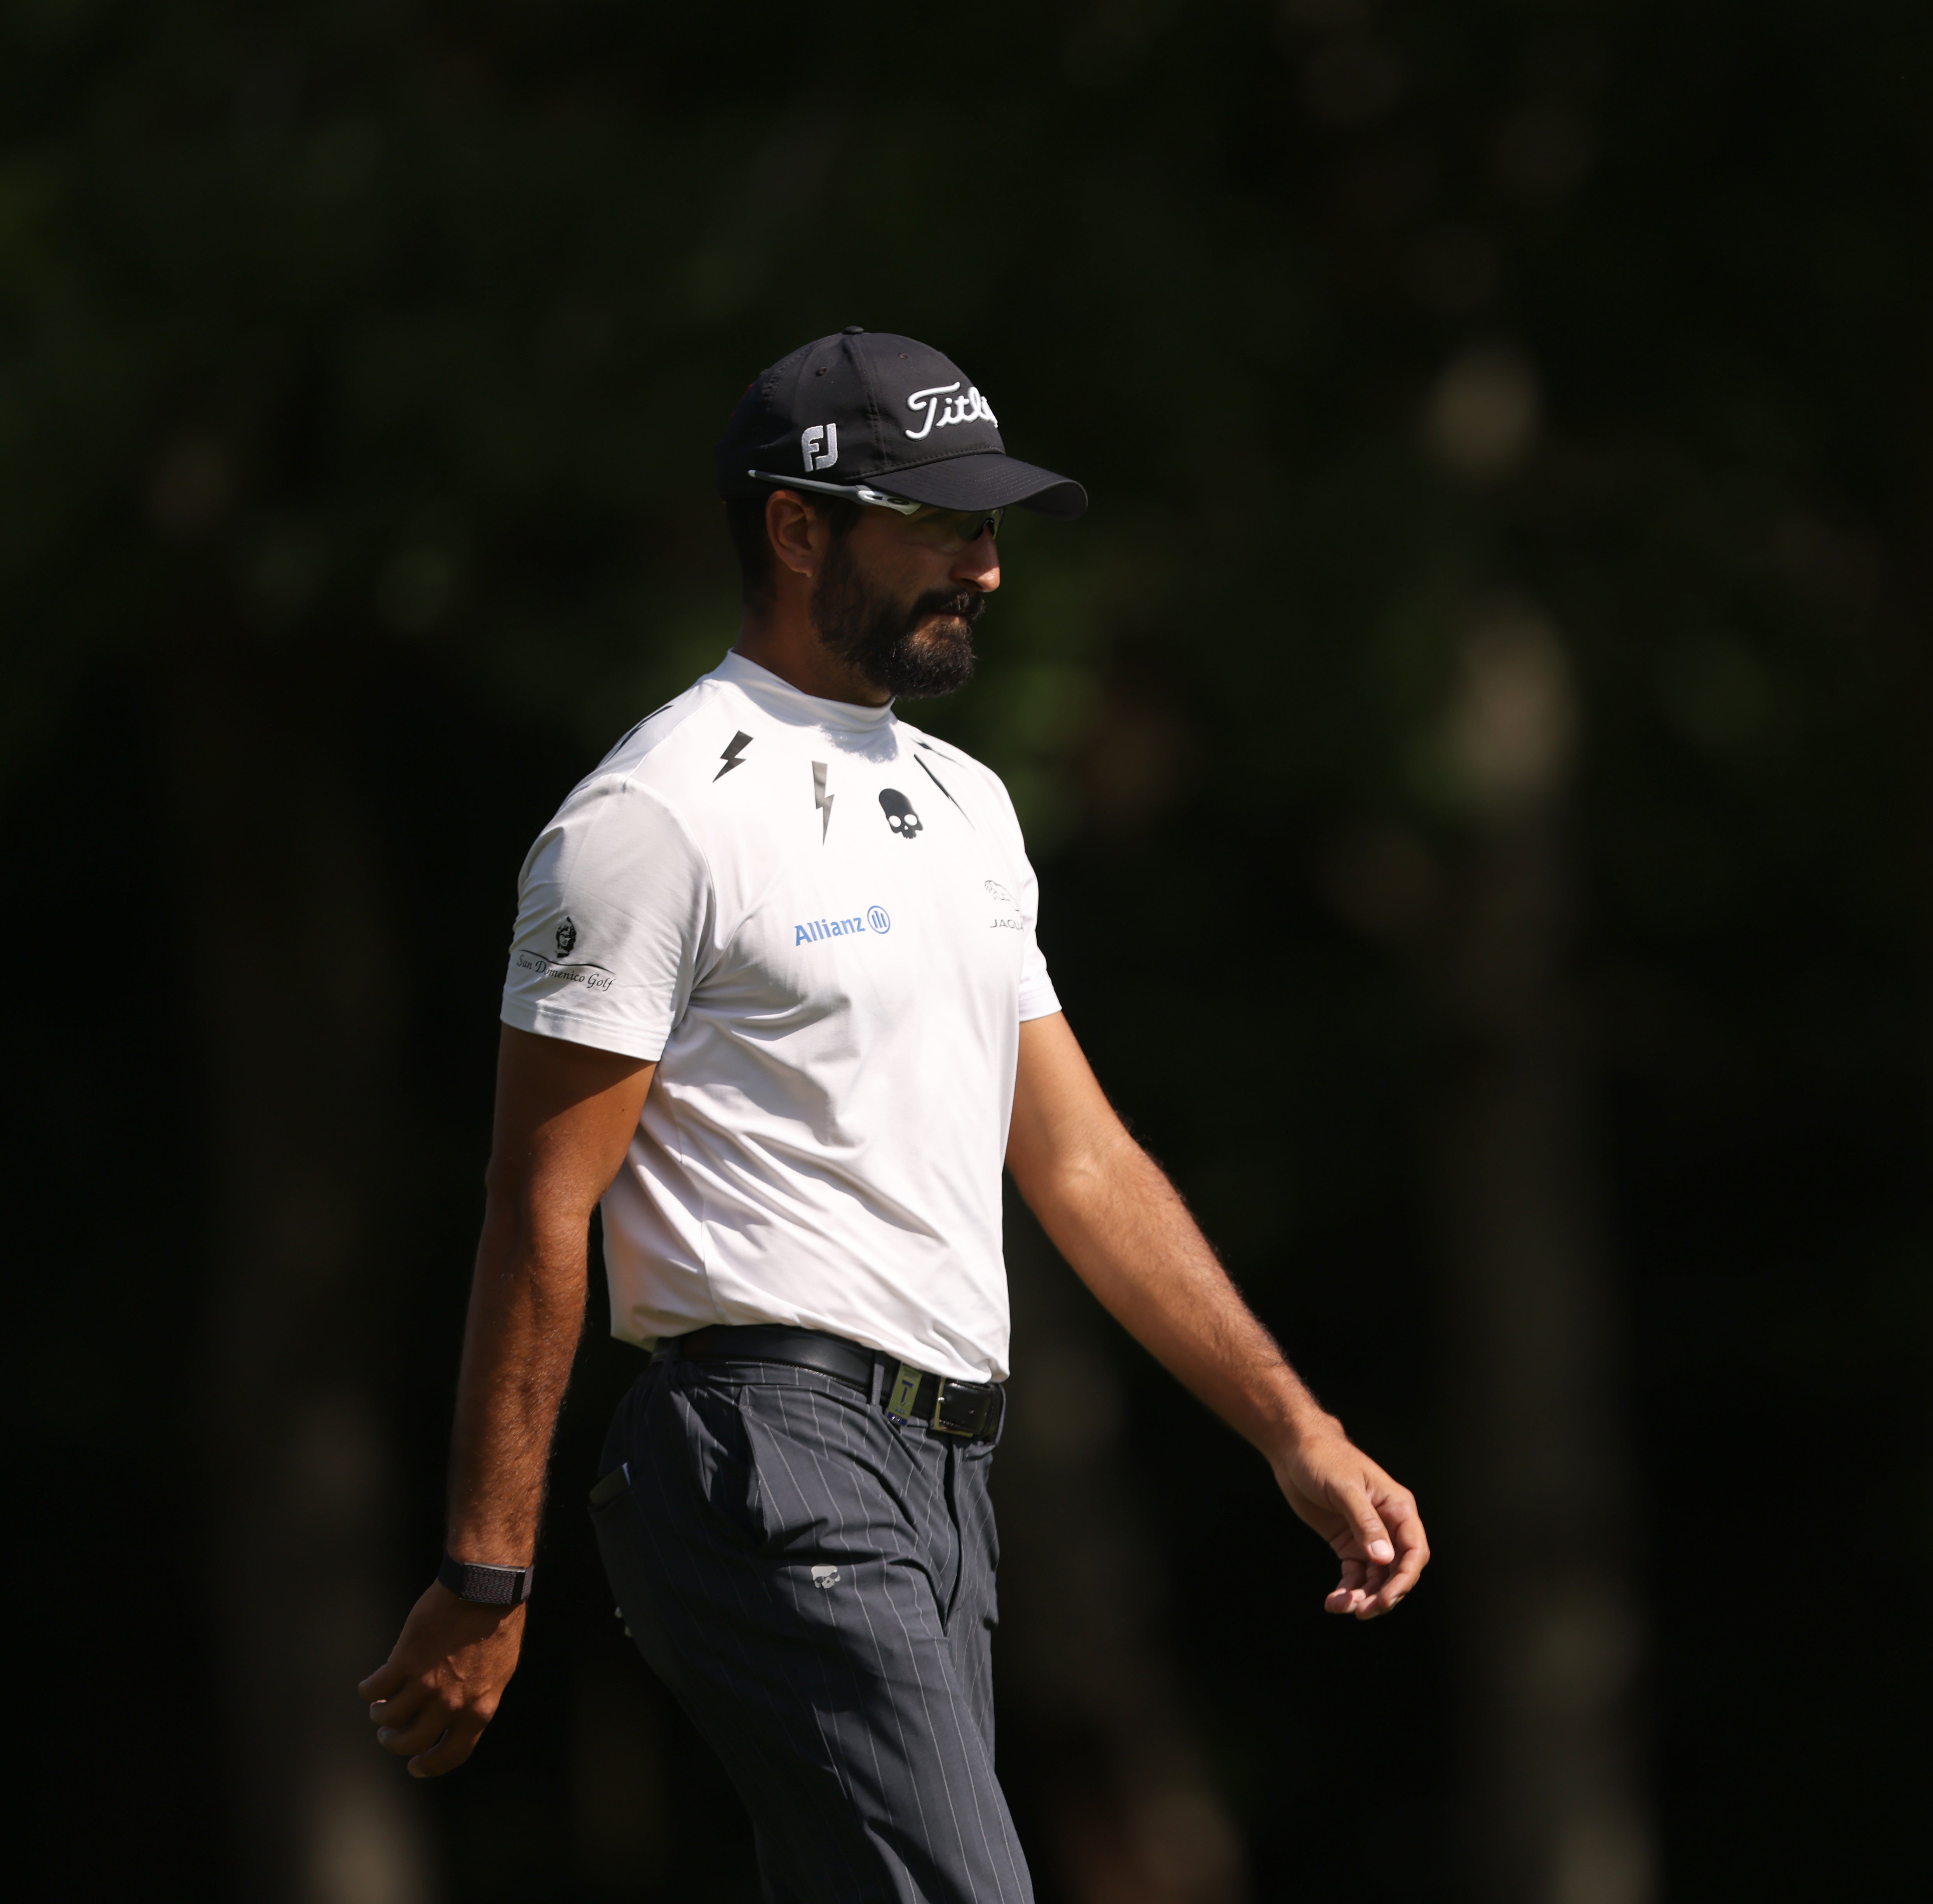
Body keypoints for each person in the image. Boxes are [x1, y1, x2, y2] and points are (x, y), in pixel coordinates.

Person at [356, 329, 1429, 1901]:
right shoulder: (649, 820)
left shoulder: (968, 807)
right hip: (765, 1451)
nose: (986, 570)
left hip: (943, 1481)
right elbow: (540, 1204)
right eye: (939, 526)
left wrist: (1295, 1428)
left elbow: (1077, 1157)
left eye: (987, 528)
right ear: (798, 528)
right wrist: (486, 1567)